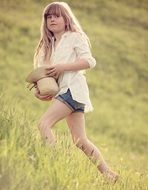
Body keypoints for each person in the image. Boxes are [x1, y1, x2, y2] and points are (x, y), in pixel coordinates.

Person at [33, 2, 118, 183]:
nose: (52, 19)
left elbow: (89, 61)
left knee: (44, 124)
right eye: (49, 17)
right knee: (80, 140)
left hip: (73, 89)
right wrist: (39, 92)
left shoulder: (75, 37)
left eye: (56, 16)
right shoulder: (45, 46)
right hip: (63, 93)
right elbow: (41, 77)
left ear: (66, 19)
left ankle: (53, 164)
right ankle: (110, 175)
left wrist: (63, 67)